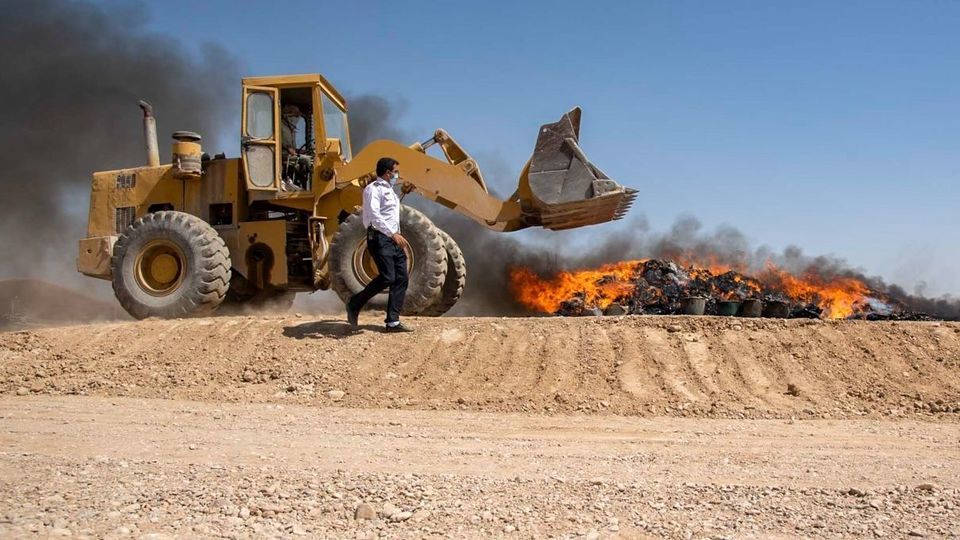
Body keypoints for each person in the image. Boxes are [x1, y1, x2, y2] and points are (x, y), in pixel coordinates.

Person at [345, 157, 414, 332]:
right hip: (380, 237)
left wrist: (397, 236)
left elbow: (389, 214)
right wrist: (392, 234)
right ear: (387, 172)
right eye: (395, 172)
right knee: (388, 277)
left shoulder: (390, 191)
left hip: (393, 238)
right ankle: (354, 303)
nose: (397, 175)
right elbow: (375, 216)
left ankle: (392, 322)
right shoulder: (372, 190)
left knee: (401, 278)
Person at [279, 104, 311, 191]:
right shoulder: (280, 126)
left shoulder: (291, 129)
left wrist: (301, 152)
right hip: (282, 155)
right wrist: (288, 149)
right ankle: (312, 188)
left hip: (289, 155)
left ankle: (299, 184)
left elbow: (292, 148)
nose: (297, 119)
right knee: (308, 161)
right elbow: (279, 142)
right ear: (288, 115)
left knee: (309, 158)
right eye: (296, 116)